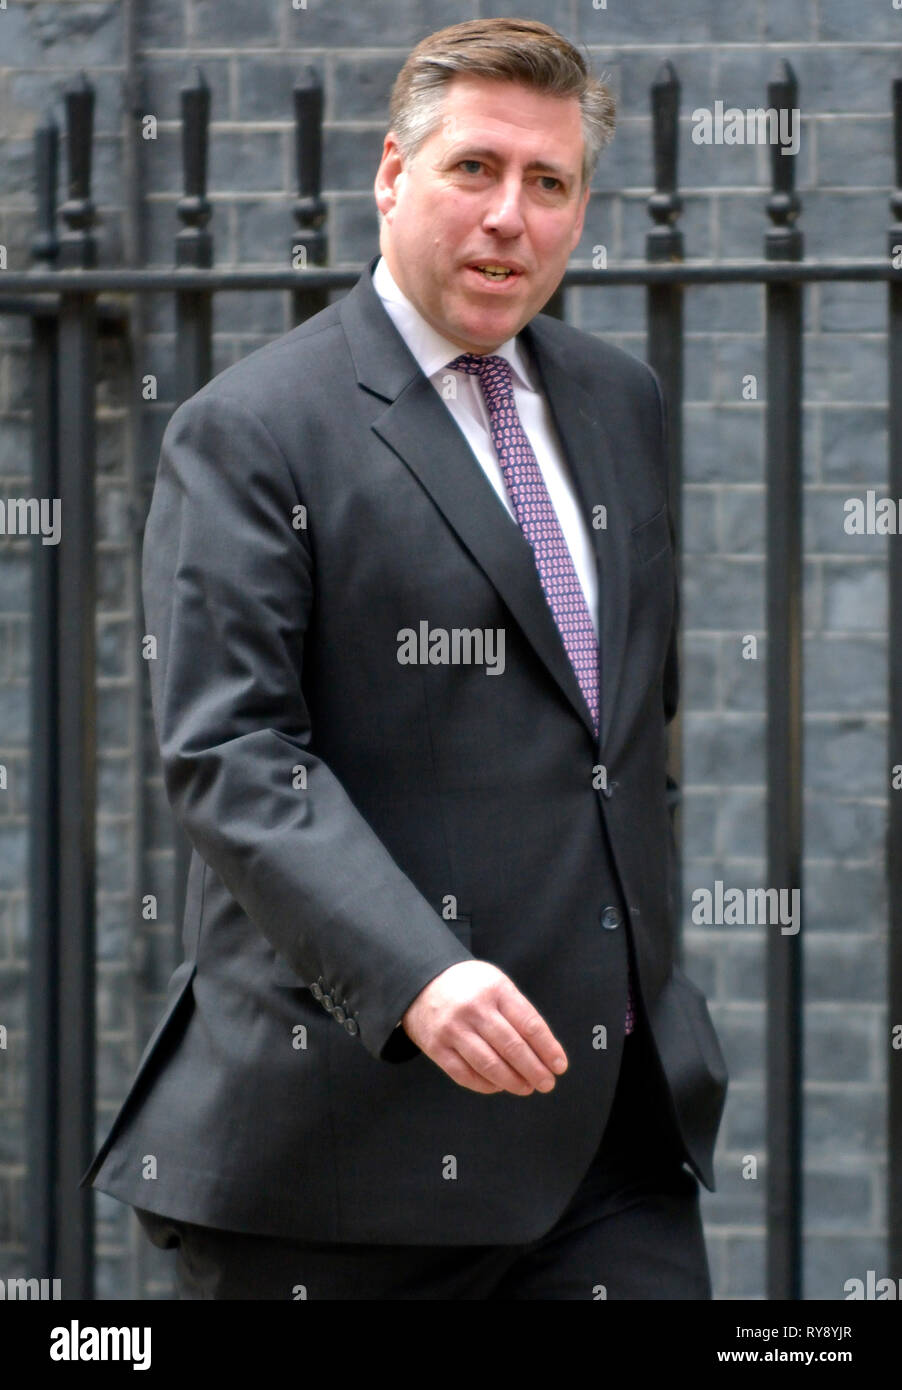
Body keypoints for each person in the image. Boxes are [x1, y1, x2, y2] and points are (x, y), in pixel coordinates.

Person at [80, 17, 728, 1300]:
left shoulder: (617, 401)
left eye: (547, 185)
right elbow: (232, 751)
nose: (508, 216)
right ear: (391, 176)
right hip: (344, 1160)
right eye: (472, 170)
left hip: (604, 1144)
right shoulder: (254, 430)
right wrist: (417, 968)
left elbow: (623, 733)